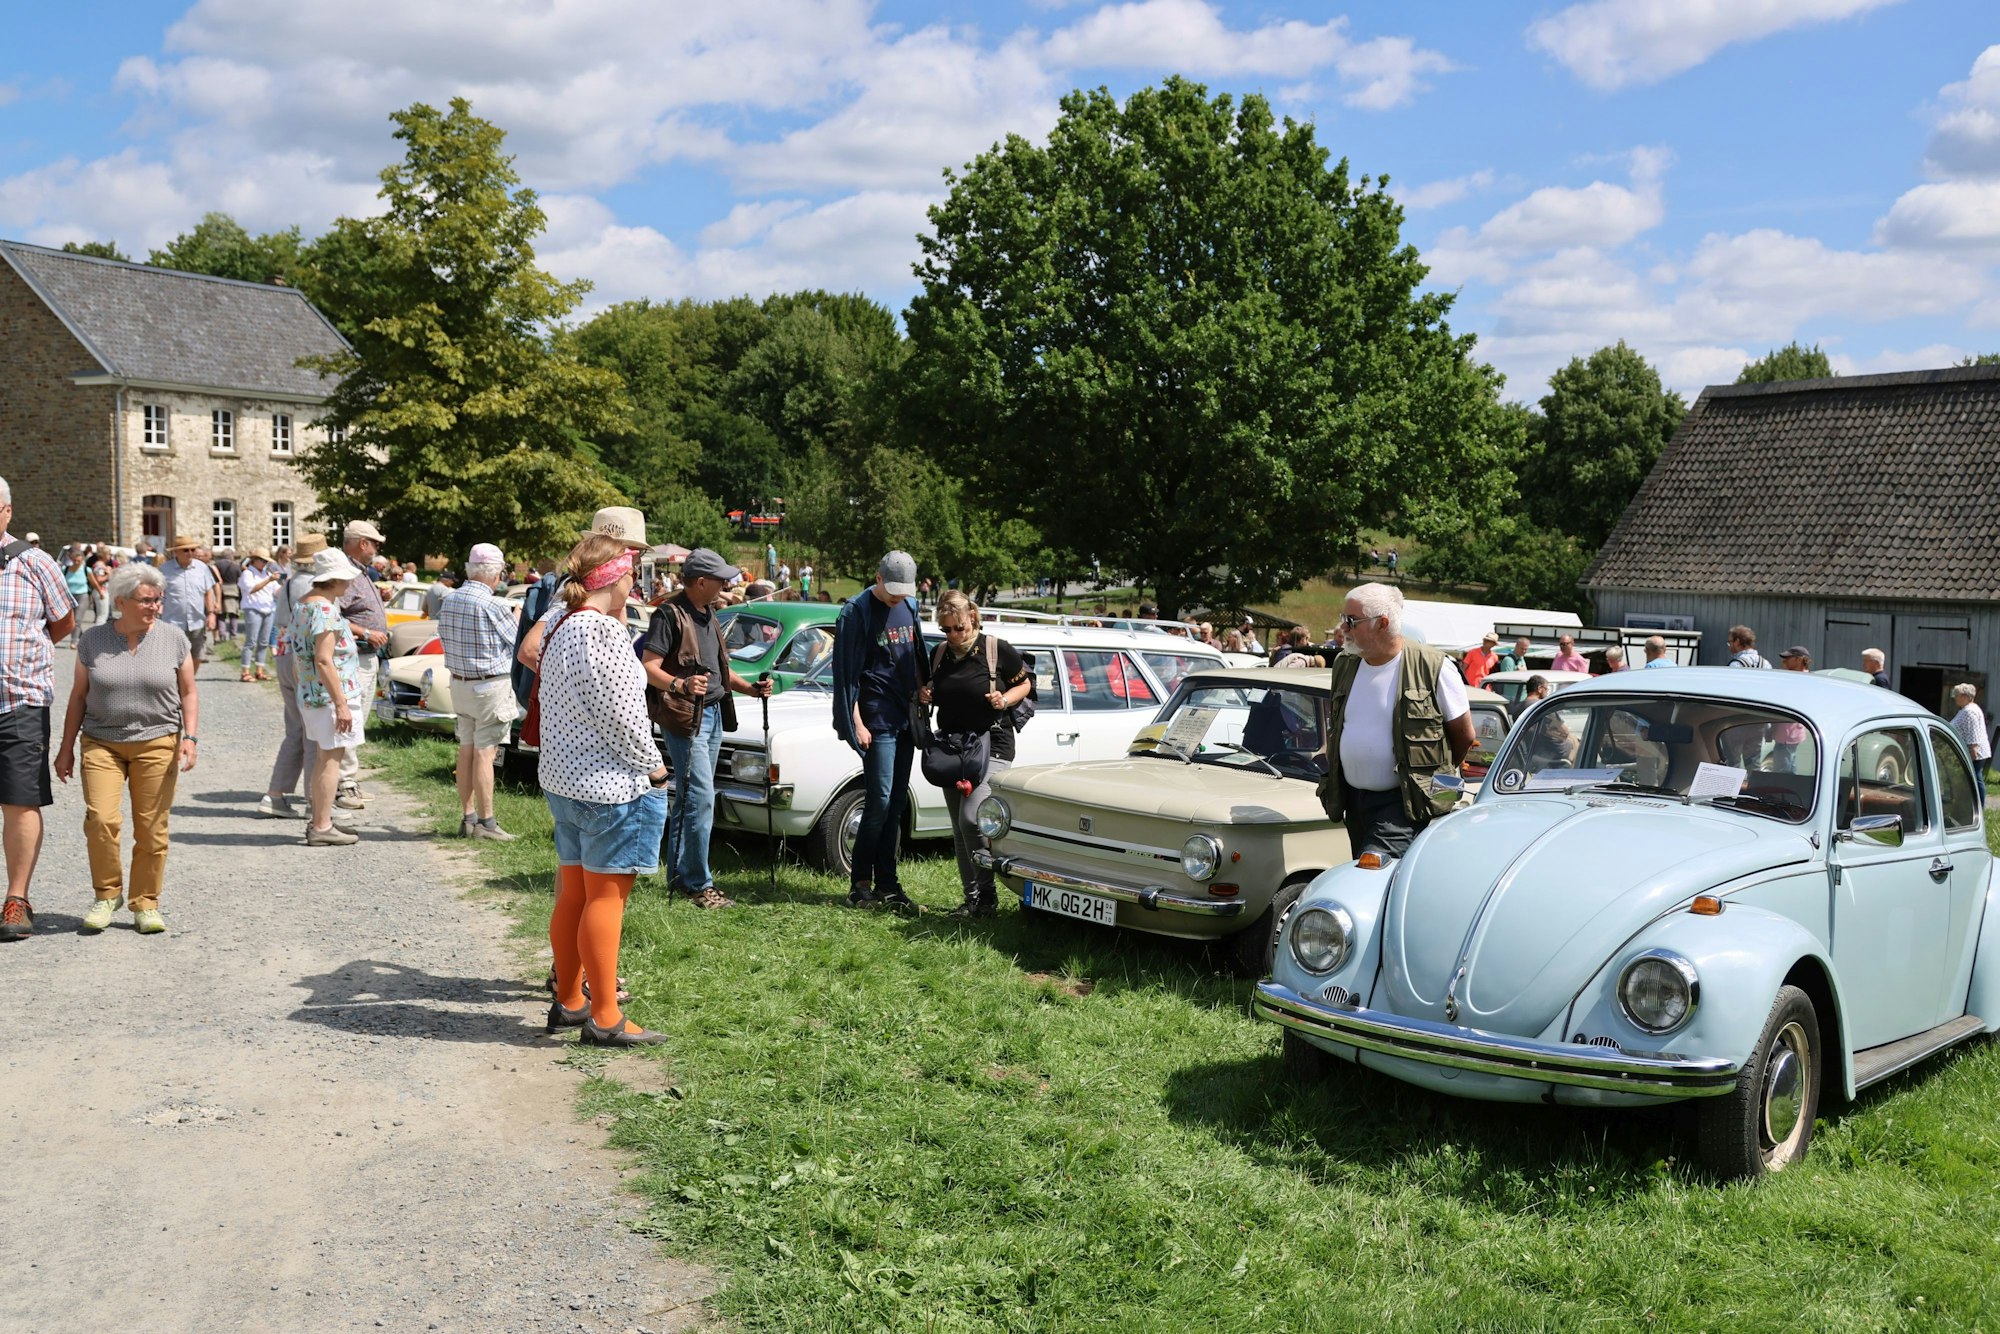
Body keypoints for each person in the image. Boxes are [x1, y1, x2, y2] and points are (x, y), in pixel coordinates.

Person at [537, 533, 672, 1048]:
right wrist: (655, 768)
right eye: (632, 573)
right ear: (613, 579)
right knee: (605, 901)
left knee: (573, 896)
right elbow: (624, 716)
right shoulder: (605, 634)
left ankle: (569, 1000)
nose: (635, 582)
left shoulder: (561, 626)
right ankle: (606, 1015)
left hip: (565, 781)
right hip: (610, 787)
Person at [52, 562, 197, 934]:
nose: (155, 607)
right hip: (102, 743)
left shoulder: (174, 639)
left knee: (151, 827)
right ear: (121, 601)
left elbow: (188, 692)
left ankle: (146, 902)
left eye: (158, 600)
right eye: (147, 600)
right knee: (101, 819)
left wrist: (191, 738)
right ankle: (107, 894)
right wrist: (66, 748)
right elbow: (78, 696)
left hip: (157, 742)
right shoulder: (93, 641)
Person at [641, 547, 772, 908]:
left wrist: (752, 690)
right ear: (701, 582)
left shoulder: (708, 614)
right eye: (720, 580)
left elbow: (719, 670)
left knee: (690, 797)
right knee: (699, 797)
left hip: (712, 714)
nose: (726, 584)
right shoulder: (670, 615)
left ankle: (682, 877)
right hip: (685, 718)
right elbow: (649, 666)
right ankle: (700, 884)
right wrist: (680, 685)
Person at [1318, 583, 1474, 859]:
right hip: (1352, 800)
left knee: (1370, 870)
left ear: (1383, 623)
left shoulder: (1433, 667)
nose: (1343, 629)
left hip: (1403, 804)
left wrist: (1430, 780)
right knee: (1366, 875)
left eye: (1351, 621)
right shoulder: (1346, 663)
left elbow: (1462, 737)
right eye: (1343, 619)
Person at [918, 591, 1032, 918]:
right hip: (954, 747)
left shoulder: (996, 649)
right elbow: (931, 688)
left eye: (959, 628)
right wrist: (926, 693)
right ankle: (973, 900)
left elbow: (1024, 685)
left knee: (972, 818)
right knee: (959, 825)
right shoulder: (940, 654)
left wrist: (1005, 699)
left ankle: (988, 897)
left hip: (992, 744)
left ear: (973, 618)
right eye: (946, 629)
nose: (954, 636)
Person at [0, 480, 77, 942]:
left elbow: (63, 619)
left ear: (6, 511)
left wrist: (29, 654)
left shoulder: (33, 562)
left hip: (19, 699)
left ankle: (16, 898)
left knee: (20, 800)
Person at [831, 550, 924, 914]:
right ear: (878, 577)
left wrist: (922, 688)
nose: (897, 596)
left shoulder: (911, 606)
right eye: (892, 588)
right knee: (879, 801)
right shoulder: (856, 611)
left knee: (897, 802)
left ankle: (889, 883)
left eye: (904, 590)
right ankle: (860, 884)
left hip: (905, 718)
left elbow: (915, 657)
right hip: (875, 718)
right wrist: (856, 722)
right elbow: (845, 675)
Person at [438, 543, 522, 842]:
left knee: (466, 749)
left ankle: (469, 817)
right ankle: (487, 823)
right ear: (495, 574)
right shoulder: (494, 605)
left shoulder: (449, 600)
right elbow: (518, 645)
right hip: (489, 685)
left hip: (459, 683)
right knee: (486, 754)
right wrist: (516, 615)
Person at [292, 546, 369, 846]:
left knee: (324, 759)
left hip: (313, 695)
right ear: (334, 579)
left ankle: (320, 820)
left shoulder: (303, 604)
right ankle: (322, 826)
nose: (349, 584)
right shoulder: (323, 609)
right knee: (330, 761)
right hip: (329, 697)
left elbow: (302, 658)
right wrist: (341, 704)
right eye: (345, 579)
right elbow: (324, 659)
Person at [260, 532, 328, 819]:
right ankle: (317, 803)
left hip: (284, 652)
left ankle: (276, 794)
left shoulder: (290, 581)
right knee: (314, 730)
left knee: (296, 728)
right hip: (303, 657)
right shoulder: (309, 585)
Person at [334, 520, 389, 810]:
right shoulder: (345, 572)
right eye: (375, 544)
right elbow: (332, 613)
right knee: (351, 720)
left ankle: (347, 781)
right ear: (363, 543)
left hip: (365, 655)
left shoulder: (357, 571)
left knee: (357, 720)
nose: (377, 550)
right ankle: (344, 784)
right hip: (354, 655)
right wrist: (365, 632)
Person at [161, 534, 219, 668]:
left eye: (192, 550)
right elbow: (159, 594)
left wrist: (211, 614)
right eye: (186, 550)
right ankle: (177, 685)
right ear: (176, 552)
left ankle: (188, 683)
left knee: (197, 656)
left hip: (197, 620)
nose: (190, 553)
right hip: (173, 621)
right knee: (174, 657)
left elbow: (208, 592)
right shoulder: (165, 570)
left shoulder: (202, 568)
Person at [238, 548, 282, 682]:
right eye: (263, 561)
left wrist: (287, 585)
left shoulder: (266, 573)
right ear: (255, 560)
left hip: (268, 609)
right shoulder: (248, 573)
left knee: (263, 642)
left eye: (266, 561)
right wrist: (269, 580)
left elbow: (276, 592)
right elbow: (251, 589)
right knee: (251, 641)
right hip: (253, 609)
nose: (264, 563)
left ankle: (259, 670)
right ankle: (245, 672)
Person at [1770, 647, 1812, 772]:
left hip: (1787, 731)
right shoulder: (1800, 677)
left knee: (1781, 770)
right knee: (1789, 765)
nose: (1784, 661)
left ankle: (1781, 791)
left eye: (1788, 659)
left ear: (1799, 660)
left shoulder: (1799, 680)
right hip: (1789, 731)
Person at [1950, 684, 1990, 792]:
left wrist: (1973, 752)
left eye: (1957, 694)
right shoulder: (1969, 709)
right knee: (1975, 779)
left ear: (1965, 696)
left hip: (1974, 753)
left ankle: (1979, 805)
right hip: (1974, 751)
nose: (1955, 697)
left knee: (1975, 780)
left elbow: (1973, 733)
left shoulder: (1969, 712)